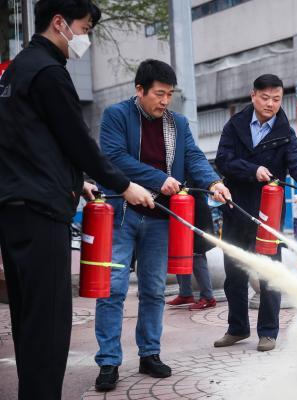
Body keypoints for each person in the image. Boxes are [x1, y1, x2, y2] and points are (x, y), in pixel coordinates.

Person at [0, 1, 153, 398]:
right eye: (84, 28)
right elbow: (78, 142)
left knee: (29, 319)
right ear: (59, 23)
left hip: (14, 208)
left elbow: (32, 142)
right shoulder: (50, 73)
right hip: (41, 212)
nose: (85, 38)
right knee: (49, 326)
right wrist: (123, 185)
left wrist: (74, 181)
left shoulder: (17, 70)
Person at [93, 59, 231, 392]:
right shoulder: (116, 116)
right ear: (139, 90)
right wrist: (160, 178)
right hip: (122, 212)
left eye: (169, 94)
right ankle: (109, 361)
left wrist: (213, 182)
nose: (164, 101)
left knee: (154, 289)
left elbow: (195, 157)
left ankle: (149, 354)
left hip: (160, 219)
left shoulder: (178, 123)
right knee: (112, 288)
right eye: (159, 93)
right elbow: (113, 157)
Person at [215, 74, 297, 352]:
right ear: (253, 96)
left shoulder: (284, 131)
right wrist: (252, 170)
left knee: (269, 273)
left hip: (268, 214)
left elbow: (296, 159)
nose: (271, 104)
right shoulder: (235, 125)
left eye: (276, 99)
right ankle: (237, 328)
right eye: (265, 98)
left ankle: (268, 332)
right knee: (234, 272)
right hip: (236, 209)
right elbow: (223, 160)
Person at [166, 188, 218, 310]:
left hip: (196, 210)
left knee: (197, 254)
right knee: (180, 250)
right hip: (179, 205)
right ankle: (185, 294)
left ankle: (208, 297)